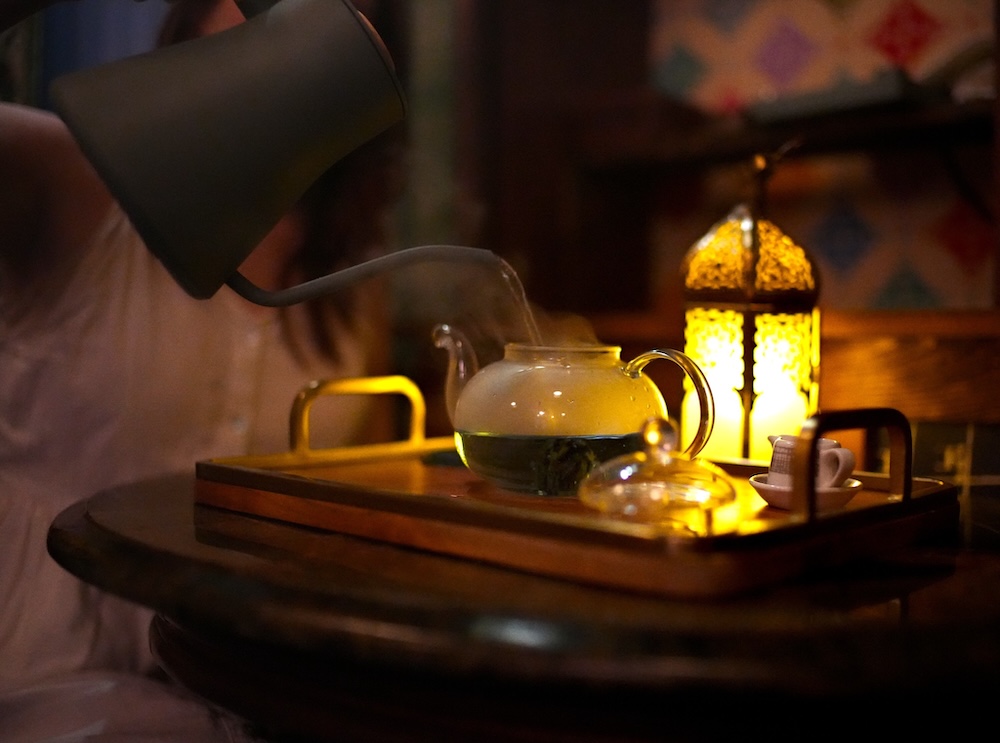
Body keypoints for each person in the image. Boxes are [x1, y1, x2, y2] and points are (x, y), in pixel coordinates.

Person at [0, 0, 405, 738]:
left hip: (239, 686)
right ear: (184, 49)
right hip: (32, 667)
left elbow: (358, 510)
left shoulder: (350, 287)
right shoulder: (75, 180)